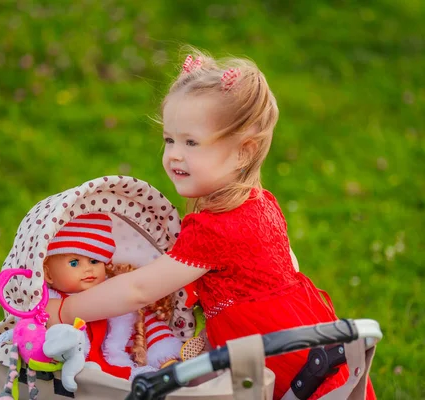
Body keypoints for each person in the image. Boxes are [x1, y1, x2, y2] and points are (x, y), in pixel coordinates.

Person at [51, 50, 376, 399]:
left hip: (274, 357)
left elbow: (140, 290)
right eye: (169, 139)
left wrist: (66, 309)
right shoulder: (261, 203)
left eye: (191, 142)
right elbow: (289, 265)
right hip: (307, 337)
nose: (174, 154)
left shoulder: (214, 228)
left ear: (243, 153)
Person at [44, 213, 181, 379]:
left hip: (117, 366)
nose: (88, 269)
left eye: (95, 261)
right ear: (48, 274)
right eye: (74, 263)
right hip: (71, 370)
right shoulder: (49, 303)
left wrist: (164, 356)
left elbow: (148, 326)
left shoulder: (114, 295)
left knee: (146, 379)